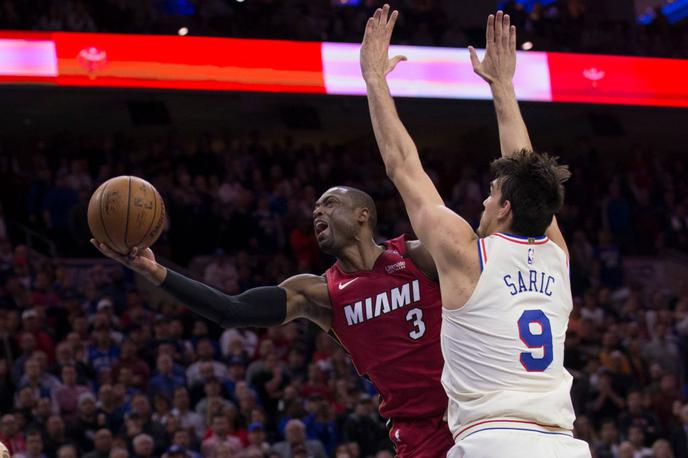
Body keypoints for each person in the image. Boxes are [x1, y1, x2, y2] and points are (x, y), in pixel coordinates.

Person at [360, 5, 590, 457]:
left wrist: (374, 79)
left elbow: (402, 165)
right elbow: (528, 176)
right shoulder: (556, 254)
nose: (482, 201)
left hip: (493, 440)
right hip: (564, 444)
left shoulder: (468, 254)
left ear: (504, 207)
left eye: (490, 194)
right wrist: (503, 87)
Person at [91, 192, 453, 454]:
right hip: (417, 432)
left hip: (473, 405)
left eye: (329, 204)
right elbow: (231, 311)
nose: (318, 212)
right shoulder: (319, 293)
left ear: (363, 215)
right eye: (315, 208)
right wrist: (154, 271)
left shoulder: (417, 257)